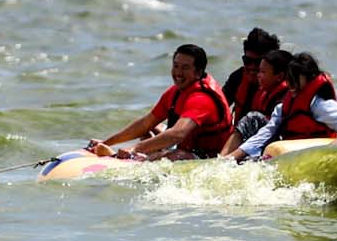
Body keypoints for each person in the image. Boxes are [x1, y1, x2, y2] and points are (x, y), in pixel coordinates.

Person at [86, 43, 234, 160]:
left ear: (198, 73)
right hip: (185, 147)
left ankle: (125, 159)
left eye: (185, 68)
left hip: (210, 157)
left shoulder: (202, 99)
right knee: (147, 131)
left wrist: (134, 148)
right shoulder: (175, 92)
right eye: (176, 66)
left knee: (176, 156)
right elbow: (146, 123)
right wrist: (106, 142)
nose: (178, 73)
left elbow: (177, 134)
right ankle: (126, 155)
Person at [224, 51, 337, 161]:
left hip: (317, 155)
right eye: (290, 78)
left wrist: (336, 145)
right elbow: (265, 133)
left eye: (296, 78)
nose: (291, 83)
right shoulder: (283, 107)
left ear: (309, 79)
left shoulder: (322, 106)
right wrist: (236, 155)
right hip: (292, 155)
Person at [217, 47, 295, 158]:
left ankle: (223, 158)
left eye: (263, 72)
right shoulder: (263, 93)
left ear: (280, 77)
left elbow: (271, 130)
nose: (258, 75)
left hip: (282, 144)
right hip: (264, 142)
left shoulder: (286, 99)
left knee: (252, 119)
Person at [219, 27, 282, 129]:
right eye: (247, 61)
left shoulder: (283, 89)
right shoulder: (238, 77)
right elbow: (218, 106)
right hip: (238, 137)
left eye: (258, 62)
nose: (252, 67)